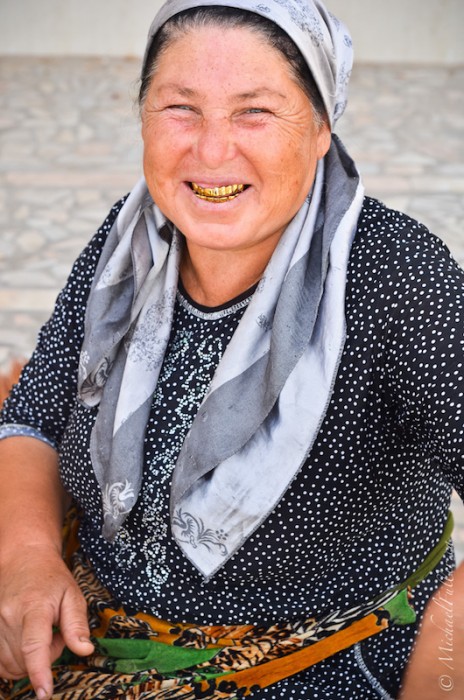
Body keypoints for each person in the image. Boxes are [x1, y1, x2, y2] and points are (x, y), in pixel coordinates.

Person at [0, 0, 463, 697]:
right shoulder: (128, 244)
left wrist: (446, 655)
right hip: (89, 631)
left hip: (316, 664)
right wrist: (28, 558)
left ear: (319, 130)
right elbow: (33, 411)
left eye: (255, 112)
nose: (212, 152)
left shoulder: (396, 279)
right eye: (179, 108)